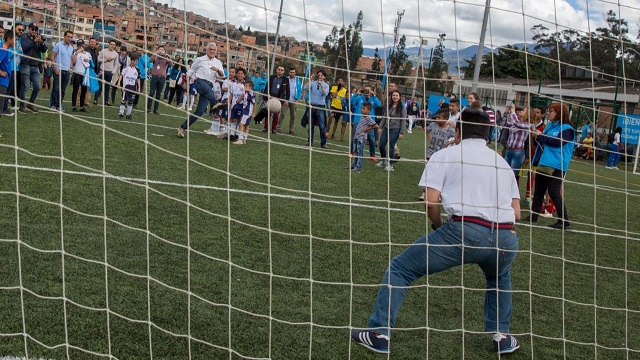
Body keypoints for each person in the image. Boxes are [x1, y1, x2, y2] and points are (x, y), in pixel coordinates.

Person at [351, 108, 521, 355]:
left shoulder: (446, 155)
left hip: (464, 231)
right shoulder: (502, 162)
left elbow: (431, 202)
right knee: (498, 277)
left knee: (401, 267)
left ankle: (379, 333)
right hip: (506, 238)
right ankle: (503, 336)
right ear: (488, 134)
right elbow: (516, 213)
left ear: (458, 129)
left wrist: (440, 227)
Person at [525, 102, 576, 230]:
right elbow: (542, 142)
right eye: (548, 110)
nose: (548, 113)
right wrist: (536, 136)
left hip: (558, 164)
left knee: (554, 192)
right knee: (538, 190)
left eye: (551, 111)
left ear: (559, 113)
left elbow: (557, 142)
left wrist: (541, 136)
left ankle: (564, 221)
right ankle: (534, 215)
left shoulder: (567, 128)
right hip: (544, 162)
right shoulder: (550, 126)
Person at [177, 42, 224, 138]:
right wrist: (187, 85)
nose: (212, 51)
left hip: (210, 86)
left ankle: (182, 127)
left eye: (214, 50)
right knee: (206, 88)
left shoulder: (218, 62)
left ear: (216, 51)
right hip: (200, 82)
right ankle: (215, 103)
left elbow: (222, 75)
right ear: (207, 50)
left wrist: (217, 70)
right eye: (210, 49)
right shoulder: (200, 59)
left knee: (200, 111)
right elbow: (190, 71)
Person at [18, 23, 47, 113]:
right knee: (25, 86)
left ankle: (30, 103)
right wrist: (34, 41)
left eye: (36, 29)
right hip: (26, 64)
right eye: (32, 29)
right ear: (29, 29)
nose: (34, 31)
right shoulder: (23, 38)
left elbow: (44, 50)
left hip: (35, 66)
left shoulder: (37, 39)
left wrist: (42, 43)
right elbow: (25, 48)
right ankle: (22, 106)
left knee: (38, 87)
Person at [376, 90, 406, 172]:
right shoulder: (389, 105)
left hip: (395, 129)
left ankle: (391, 165)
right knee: (381, 145)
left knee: (391, 146)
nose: (395, 97)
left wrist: (401, 132)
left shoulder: (402, 107)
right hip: (386, 128)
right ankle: (383, 161)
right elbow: (385, 117)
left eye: (396, 95)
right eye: (393, 95)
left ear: (399, 97)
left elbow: (403, 120)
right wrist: (381, 127)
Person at [350, 85, 381, 160]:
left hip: (369, 121)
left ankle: (372, 155)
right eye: (365, 90)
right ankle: (352, 152)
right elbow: (351, 102)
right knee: (355, 137)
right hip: (358, 120)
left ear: (371, 91)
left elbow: (379, 105)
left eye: (368, 90)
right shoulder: (359, 97)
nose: (367, 92)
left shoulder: (373, 98)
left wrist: (374, 96)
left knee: (371, 138)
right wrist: (356, 94)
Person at [504, 105, 533, 186]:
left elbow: (517, 123)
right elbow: (507, 123)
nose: (521, 112)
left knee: (512, 175)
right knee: (505, 173)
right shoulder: (517, 122)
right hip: (509, 150)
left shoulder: (528, 125)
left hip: (518, 152)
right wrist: (508, 113)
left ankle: (511, 194)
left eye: (524, 111)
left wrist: (513, 112)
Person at [302, 69, 329, 148]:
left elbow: (325, 93)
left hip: (320, 107)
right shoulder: (312, 83)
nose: (320, 76)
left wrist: (321, 85)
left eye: (321, 75)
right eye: (319, 75)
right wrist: (310, 80)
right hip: (312, 106)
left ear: (324, 77)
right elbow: (305, 87)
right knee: (311, 125)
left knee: (322, 126)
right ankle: (310, 141)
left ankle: (323, 143)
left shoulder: (326, 85)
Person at [348, 102, 378, 173]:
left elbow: (376, 125)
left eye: (364, 108)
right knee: (355, 152)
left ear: (368, 110)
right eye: (362, 108)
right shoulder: (362, 116)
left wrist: (367, 129)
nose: (362, 109)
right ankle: (353, 165)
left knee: (360, 152)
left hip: (361, 137)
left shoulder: (368, 118)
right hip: (356, 136)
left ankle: (358, 168)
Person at [48, 30, 73, 111]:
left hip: (67, 71)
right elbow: (52, 56)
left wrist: (70, 67)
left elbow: (70, 59)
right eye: (68, 36)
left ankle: (59, 105)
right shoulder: (58, 45)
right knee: (56, 88)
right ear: (64, 36)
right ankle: (53, 105)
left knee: (63, 90)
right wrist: (55, 68)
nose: (69, 38)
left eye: (71, 37)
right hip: (58, 70)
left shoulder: (71, 47)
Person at [261, 65, 288, 133]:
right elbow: (267, 86)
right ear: (276, 70)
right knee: (267, 114)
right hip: (270, 98)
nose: (280, 71)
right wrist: (264, 96)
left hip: (279, 100)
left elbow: (288, 90)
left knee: (276, 116)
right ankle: (266, 128)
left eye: (281, 70)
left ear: (283, 72)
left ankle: (274, 129)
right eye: (279, 69)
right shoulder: (271, 77)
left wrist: (286, 99)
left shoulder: (285, 79)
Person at [147, 45, 173, 115]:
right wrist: (156, 53)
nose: (161, 51)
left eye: (162, 50)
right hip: (154, 76)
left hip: (162, 78)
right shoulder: (155, 56)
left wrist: (169, 57)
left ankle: (156, 109)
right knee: (151, 93)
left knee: (158, 94)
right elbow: (150, 60)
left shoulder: (165, 58)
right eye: (160, 49)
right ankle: (148, 108)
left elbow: (171, 64)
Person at [277, 67, 302, 135]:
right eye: (291, 72)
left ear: (295, 73)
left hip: (294, 100)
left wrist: (297, 99)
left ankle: (291, 129)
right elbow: (283, 89)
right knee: (282, 114)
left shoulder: (297, 81)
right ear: (289, 73)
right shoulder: (286, 79)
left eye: (293, 72)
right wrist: (285, 99)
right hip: (286, 100)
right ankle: (278, 127)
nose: (292, 73)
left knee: (293, 116)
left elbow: (299, 90)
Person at [0, 30, 15, 137]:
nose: (16, 41)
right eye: (15, 39)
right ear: (9, 39)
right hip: (1, 82)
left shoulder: (7, 49)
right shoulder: (3, 49)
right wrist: (0, 72)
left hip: (5, 82)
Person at [95, 39, 118, 106]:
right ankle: (96, 99)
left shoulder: (116, 54)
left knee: (107, 88)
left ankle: (106, 101)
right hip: (102, 71)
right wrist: (106, 60)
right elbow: (98, 60)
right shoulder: (103, 51)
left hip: (109, 72)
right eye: (111, 44)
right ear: (109, 44)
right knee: (99, 86)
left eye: (114, 45)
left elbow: (116, 64)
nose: (112, 46)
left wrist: (113, 72)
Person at [70, 39, 91, 113]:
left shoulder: (87, 54)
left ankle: (82, 106)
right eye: (79, 45)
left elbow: (91, 63)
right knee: (75, 90)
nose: (80, 46)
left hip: (85, 74)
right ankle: (74, 106)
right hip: (77, 73)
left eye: (81, 44)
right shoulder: (75, 52)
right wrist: (76, 53)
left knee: (84, 91)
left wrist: (88, 61)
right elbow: (72, 61)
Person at [117, 53, 140, 120]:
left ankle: (128, 114)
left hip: (133, 88)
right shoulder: (126, 68)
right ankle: (121, 113)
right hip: (126, 87)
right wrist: (118, 83)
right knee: (124, 100)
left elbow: (138, 79)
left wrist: (138, 88)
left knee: (131, 101)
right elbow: (121, 75)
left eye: (136, 61)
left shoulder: (138, 70)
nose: (135, 62)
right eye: (133, 61)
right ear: (131, 60)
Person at [233, 80, 255, 145]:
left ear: (250, 87)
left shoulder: (251, 93)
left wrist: (253, 113)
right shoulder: (246, 93)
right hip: (246, 111)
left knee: (241, 124)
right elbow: (239, 101)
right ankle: (244, 139)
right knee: (247, 125)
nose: (245, 87)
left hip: (247, 111)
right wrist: (241, 98)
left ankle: (240, 139)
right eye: (245, 85)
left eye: (246, 86)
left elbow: (254, 103)